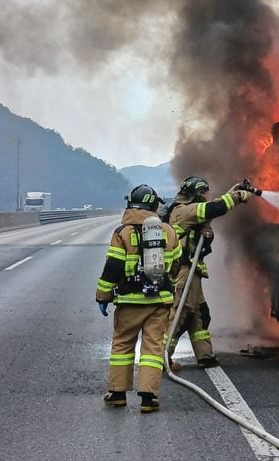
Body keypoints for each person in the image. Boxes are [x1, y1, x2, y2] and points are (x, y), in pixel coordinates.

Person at [95, 184, 180, 413]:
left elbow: (113, 268)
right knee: (152, 348)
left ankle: (117, 393)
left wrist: (103, 295)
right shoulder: (169, 231)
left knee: (123, 345)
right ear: (154, 205)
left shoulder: (122, 232)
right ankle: (148, 397)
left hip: (129, 301)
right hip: (159, 302)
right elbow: (176, 265)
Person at [165, 175, 251, 370]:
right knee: (178, 315)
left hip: (193, 273)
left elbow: (211, 207)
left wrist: (232, 190)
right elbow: (214, 208)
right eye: (204, 192)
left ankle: (205, 356)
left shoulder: (191, 209)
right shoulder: (184, 211)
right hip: (183, 273)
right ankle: (162, 357)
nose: (207, 195)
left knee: (200, 314)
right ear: (197, 194)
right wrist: (238, 197)